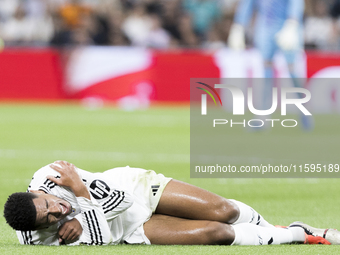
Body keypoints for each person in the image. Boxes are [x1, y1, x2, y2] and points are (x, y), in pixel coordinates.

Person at [4, 161, 339, 246]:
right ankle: (298, 234)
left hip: (134, 187)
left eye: (49, 204)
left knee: (227, 211)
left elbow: (121, 200)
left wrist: (80, 192)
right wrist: (90, 218)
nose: (57, 211)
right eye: (49, 219)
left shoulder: (52, 175)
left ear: (39, 191)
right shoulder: (32, 236)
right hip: (131, 231)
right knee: (217, 232)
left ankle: (270, 229)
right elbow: (101, 239)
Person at [228, 0, 313, 130]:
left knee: (292, 70)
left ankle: (304, 111)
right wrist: (238, 26)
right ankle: (262, 116)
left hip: (286, 25)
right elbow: (247, 4)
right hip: (265, 26)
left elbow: (295, 3)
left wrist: (292, 22)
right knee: (266, 70)